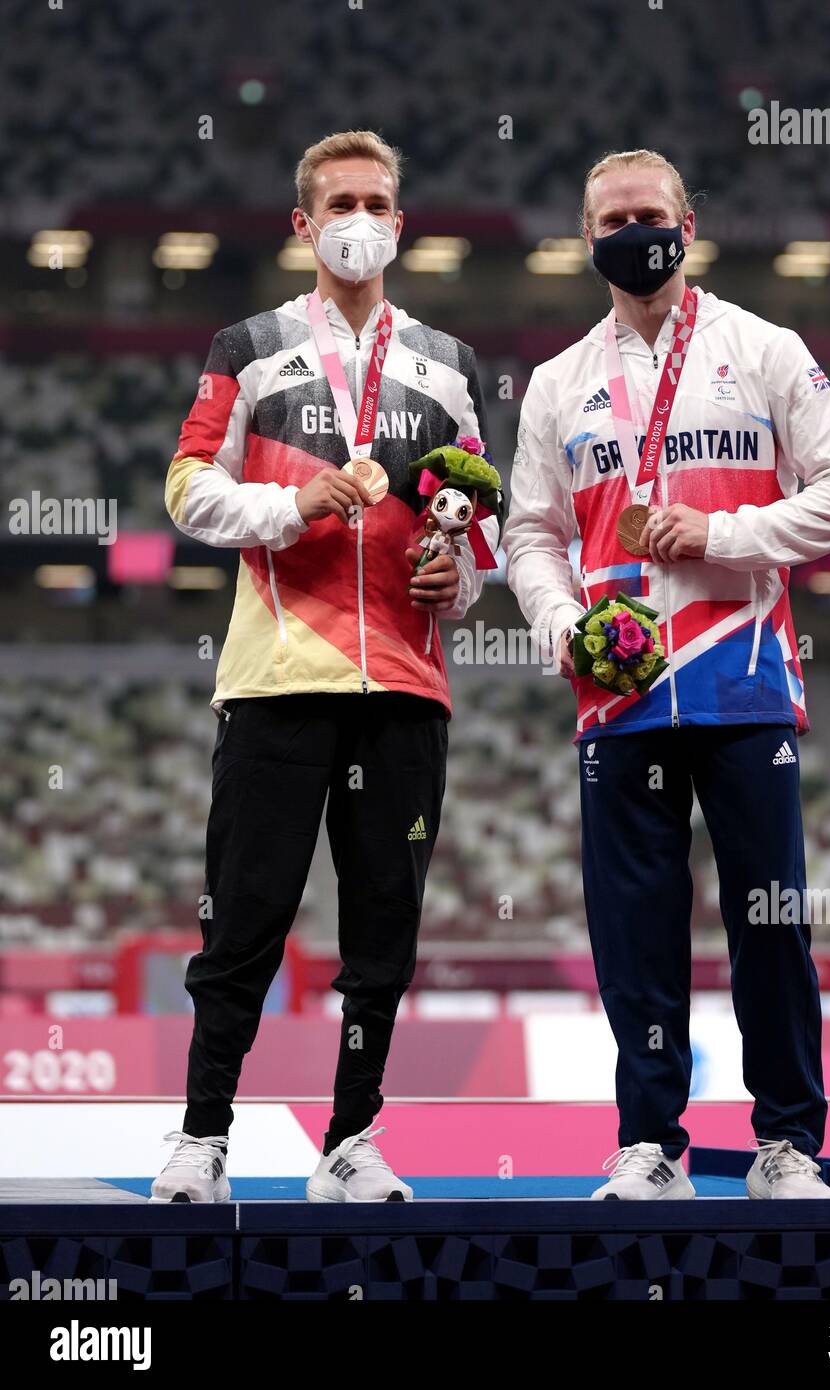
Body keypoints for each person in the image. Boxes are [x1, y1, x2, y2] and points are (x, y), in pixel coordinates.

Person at [503, 149, 830, 1200]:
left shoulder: (763, 349)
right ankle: (649, 1143)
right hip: (616, 691)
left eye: (650, 213)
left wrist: (722, 532)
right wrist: (559, 623)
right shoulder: (556, 383)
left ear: (685, 221)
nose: (634, 232)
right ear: (587, 240)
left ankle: (787, 1145)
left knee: (768, 917)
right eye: (611, 218)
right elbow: (527, 534)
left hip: (741, 677)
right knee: (634, 933)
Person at [152, 129, 501, 1204]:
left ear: (401, 221)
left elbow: (478, 529)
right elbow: (185, 491)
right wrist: (292, 502)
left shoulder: (448, 365)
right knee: (244, 916)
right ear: (304, 224)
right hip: (276, 678)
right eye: (340, 201)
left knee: (382, 930)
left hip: (404, 684)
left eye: (378, 201)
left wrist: (464, 582)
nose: (361, 218)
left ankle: (349, 1140)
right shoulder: (245, 346)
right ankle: (203, 1139)